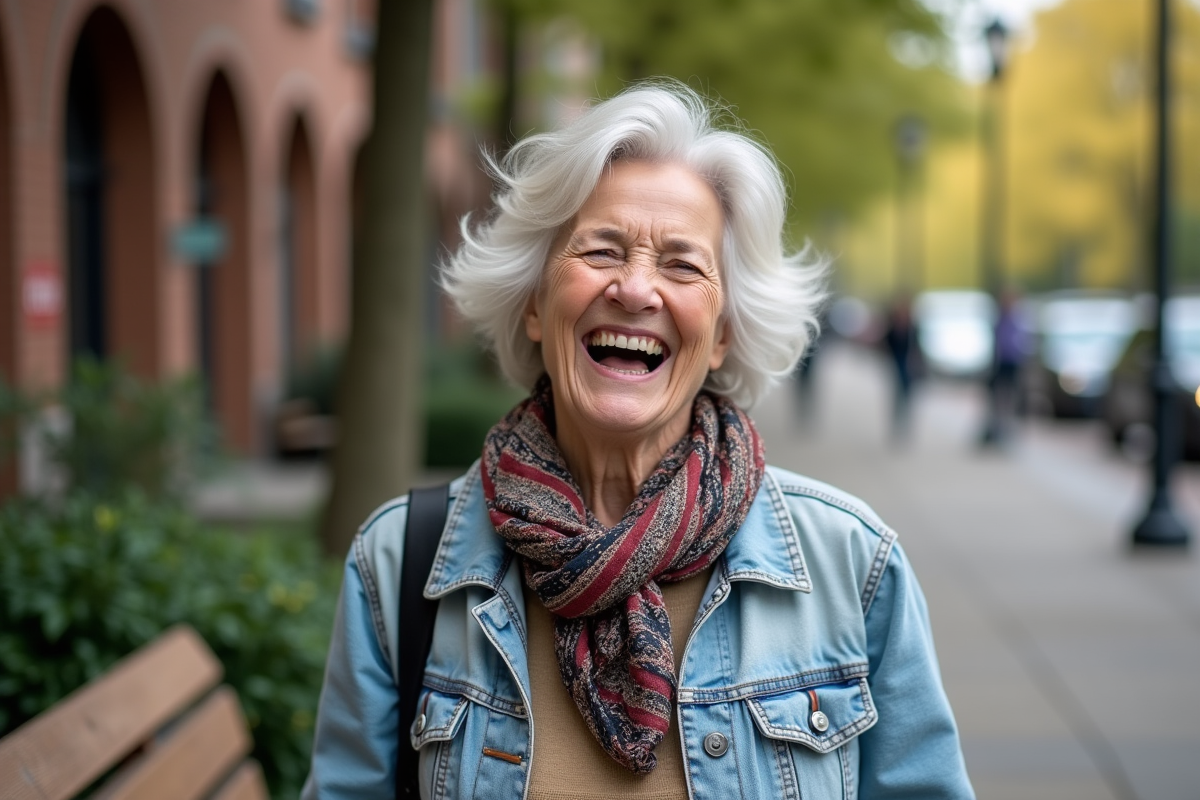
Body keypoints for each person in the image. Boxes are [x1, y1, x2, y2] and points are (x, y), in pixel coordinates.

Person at [303, 82, 974, 800]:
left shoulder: (853, 565)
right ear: (533, 303)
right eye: (600, 250)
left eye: (683, 264)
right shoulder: (401, 562)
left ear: (722, 335)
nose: (634, 288)